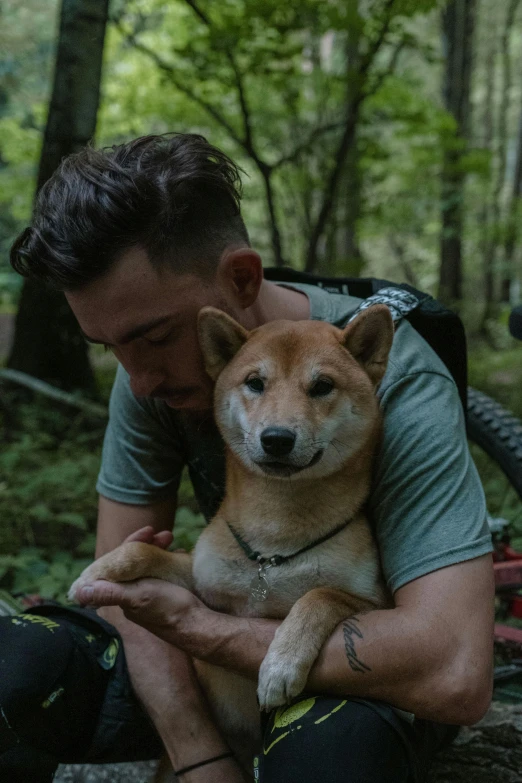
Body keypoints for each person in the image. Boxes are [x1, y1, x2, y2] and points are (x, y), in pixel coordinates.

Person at [2, 133, 494, 783]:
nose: (139, 379)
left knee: (328, 752)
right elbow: (123, 591)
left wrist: (204, 630)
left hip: (338, 681)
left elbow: (455, 670)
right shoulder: (150, 368)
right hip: (210, 665)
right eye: (108, 346)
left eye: (154, 337)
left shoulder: (397, 382)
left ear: (241, 277)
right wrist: (200, 756)